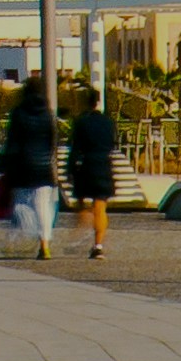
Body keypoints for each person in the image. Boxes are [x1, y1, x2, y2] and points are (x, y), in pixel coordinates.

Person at [0, 72, 59, 257]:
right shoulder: (48, 114)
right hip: (43, 167)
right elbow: (53, 140)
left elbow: (12, 142)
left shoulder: (18, 113)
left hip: (22, 167)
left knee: (20, 204)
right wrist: (48, 158)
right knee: (42, 206)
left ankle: (26, 231)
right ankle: (44, 244)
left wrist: (6, 163)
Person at [65, 83, 122, 261]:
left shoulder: (80, 122)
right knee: (100, 207)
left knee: (82, 202)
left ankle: (81, 227)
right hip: (104, 164)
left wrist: (70, 169)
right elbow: (113, 144)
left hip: (86, 165)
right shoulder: (108, 122)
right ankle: (98, 245)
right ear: (98, 102)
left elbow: (75, 148)